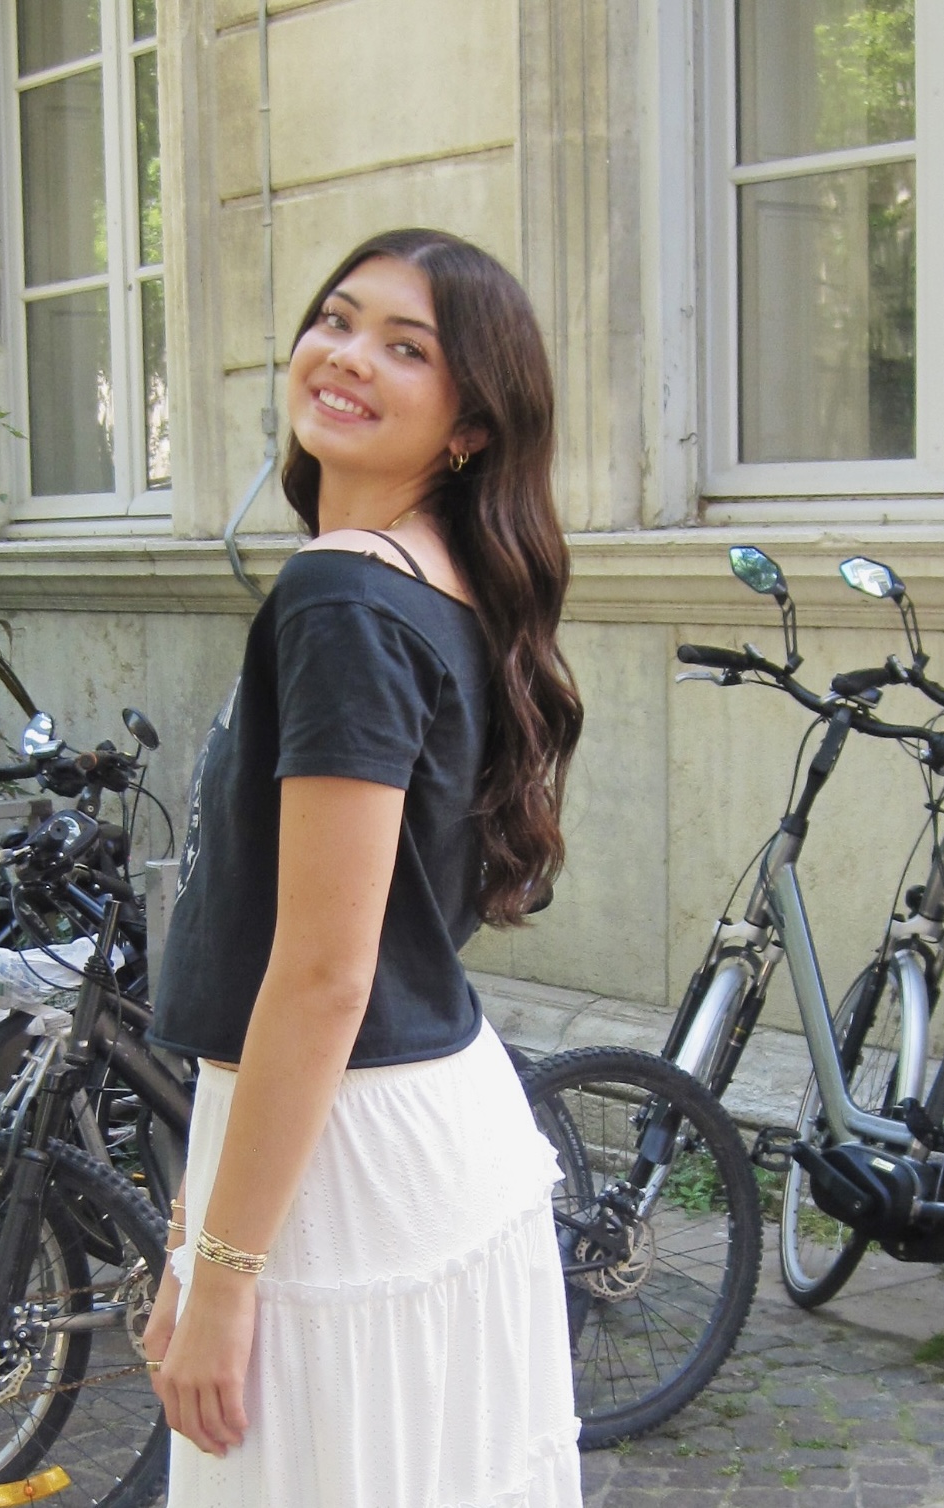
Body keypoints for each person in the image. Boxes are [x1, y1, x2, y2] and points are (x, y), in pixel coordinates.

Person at [143, 227, 586, 1507]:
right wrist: (191, 1237)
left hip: (344, 1171)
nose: (344, 356)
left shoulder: (344, 593)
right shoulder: (444, 584)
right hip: (415, 1129)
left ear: (470, 426)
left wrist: (221, 1274)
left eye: (406, 346)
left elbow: (324, 972)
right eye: (335, 319)